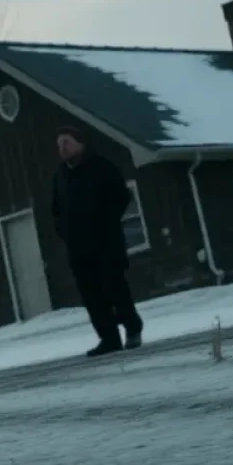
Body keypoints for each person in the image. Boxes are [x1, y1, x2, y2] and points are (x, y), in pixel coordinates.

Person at [51, 126, 143, 357]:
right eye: (59, 144)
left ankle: (132, 327)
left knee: (115, 288)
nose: (62, 148)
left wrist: (107, 221)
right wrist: (64, 231)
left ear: (80, 143)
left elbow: (122, 196)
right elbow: (55, 210)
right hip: (79, 249)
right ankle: (109, 338)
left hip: (106, 243)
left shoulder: (101, 166)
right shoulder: (60, 176)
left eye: (66, 142)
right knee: (92, 296)